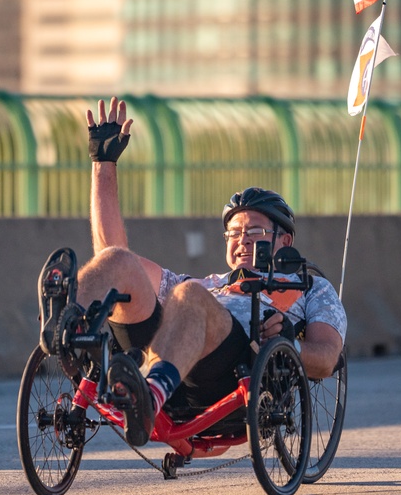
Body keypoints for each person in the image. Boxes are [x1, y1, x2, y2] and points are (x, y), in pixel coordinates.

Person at [38, 96, 347, 447]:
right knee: (118, 261)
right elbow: (116, 254)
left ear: (285, 239)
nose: (242, 241)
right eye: (234, 233)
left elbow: (326, 357)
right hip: (167, 357)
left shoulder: (310, 288)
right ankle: (65, 322)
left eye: (255, 232)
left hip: (231, 377)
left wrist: (289, 341)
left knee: (187, 296)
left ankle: (148, 398)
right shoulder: (210, 285)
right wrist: (103, 165)